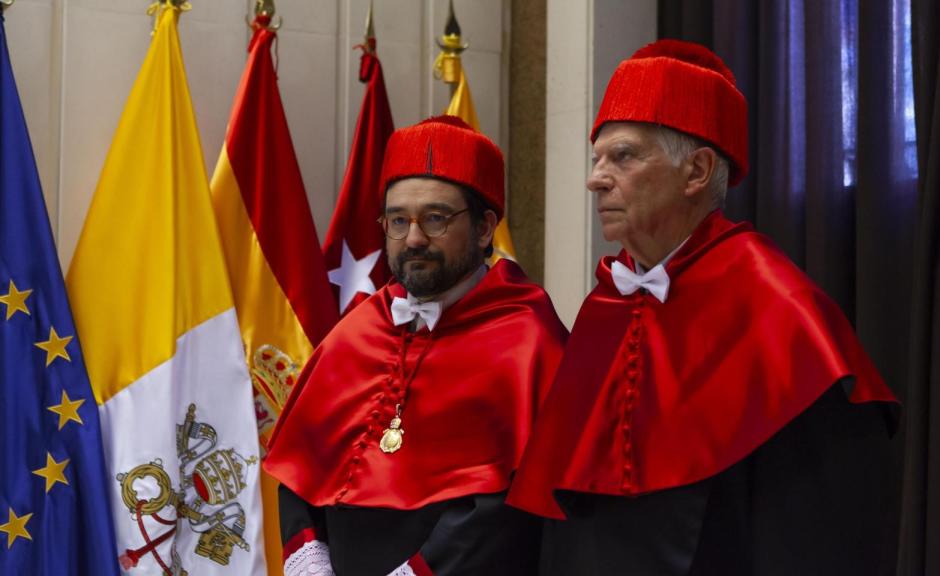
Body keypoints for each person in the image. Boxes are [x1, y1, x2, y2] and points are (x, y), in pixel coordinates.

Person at [506, 40, 900, 575]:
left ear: (696, 171)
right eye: (596, 158)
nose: (594, 179)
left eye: (622, 156)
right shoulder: (608, 306)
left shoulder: (779, 311)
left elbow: (825, 534)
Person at [265, 116, 568, 576]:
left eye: (435, 219)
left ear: (485, 228)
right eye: (398, 220)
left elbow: (508, 508)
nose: (413, 239)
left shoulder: (528, 337)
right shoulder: (357, 331)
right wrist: (308, 554)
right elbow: (302, 466)